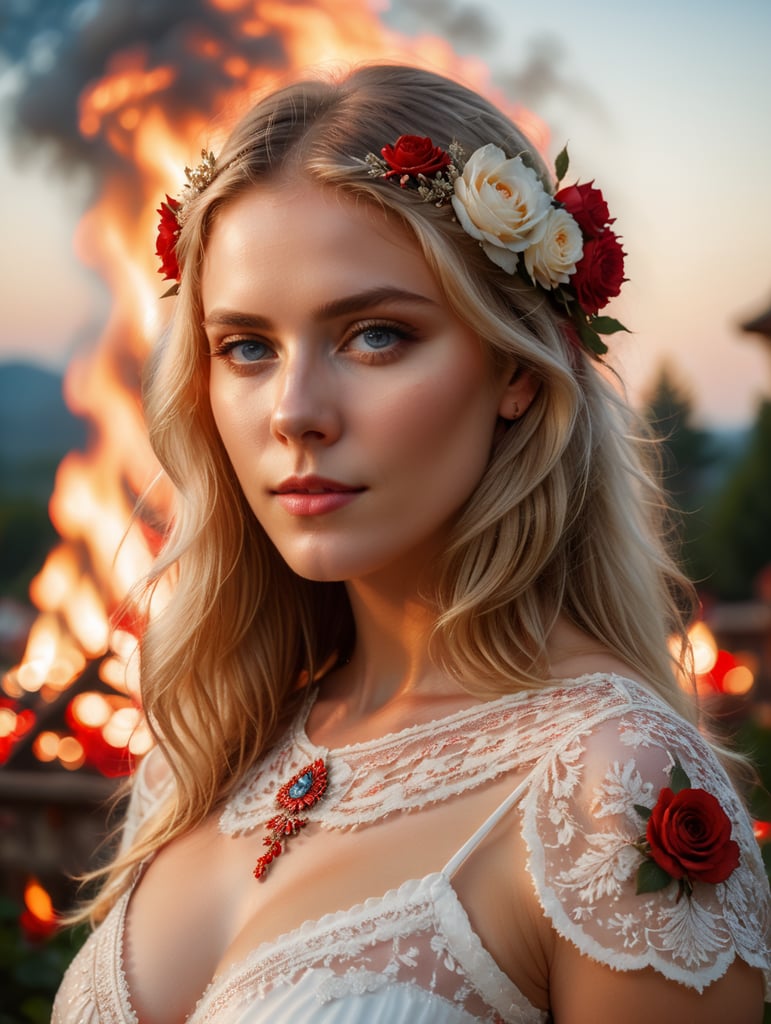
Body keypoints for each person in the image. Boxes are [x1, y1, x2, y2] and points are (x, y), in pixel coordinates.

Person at [53, 63, 769, 1023]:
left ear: (518, 367)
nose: (295, 413)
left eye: (376, 336)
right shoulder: (207, 750)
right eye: (248, 347)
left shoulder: (618, 785)